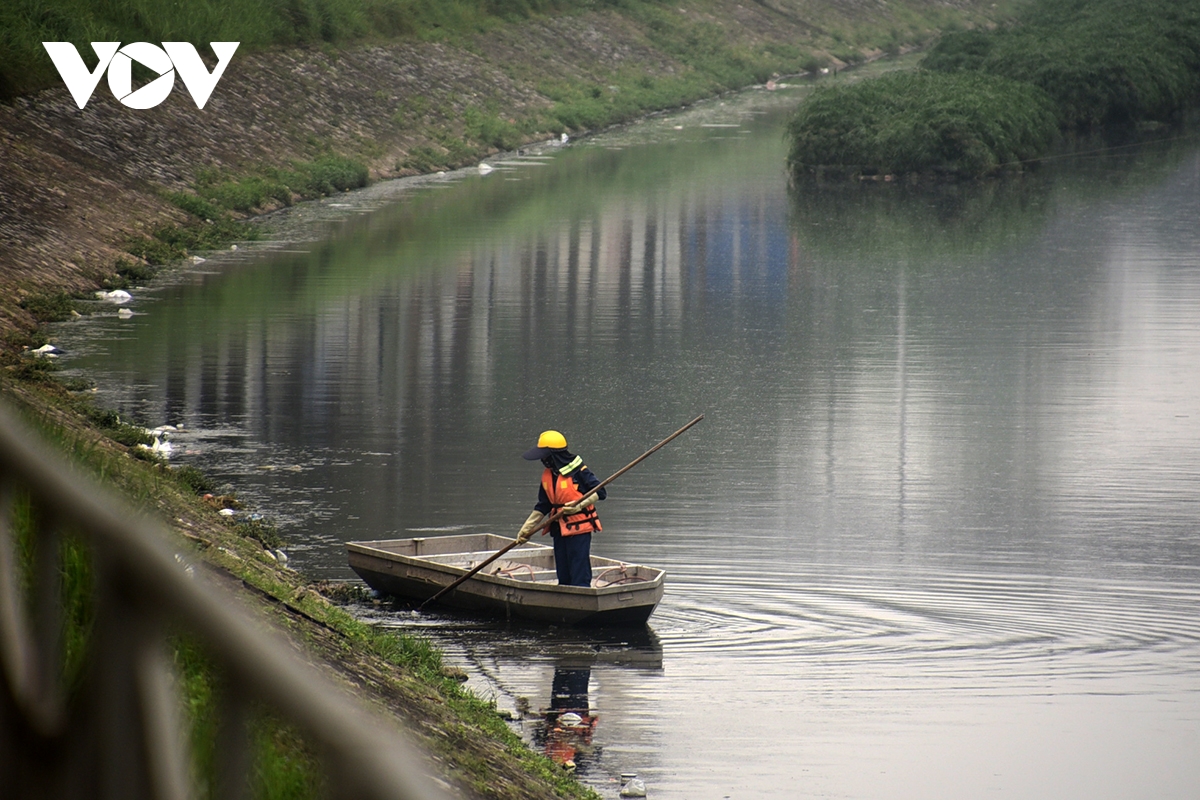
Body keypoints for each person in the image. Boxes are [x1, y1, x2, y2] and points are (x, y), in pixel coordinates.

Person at [516, 430, 606, 587]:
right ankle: (564, 594)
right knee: (563, 568)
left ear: (554, 455)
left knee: (579, 565)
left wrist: (578, 505)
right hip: (559, 527)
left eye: (544, 456)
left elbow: (601, 492)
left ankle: (582, 594)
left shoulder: (579, 471)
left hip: (579, 528)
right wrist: (527, 528)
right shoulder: (549, 475)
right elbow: (543, 505)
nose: (542, 460)